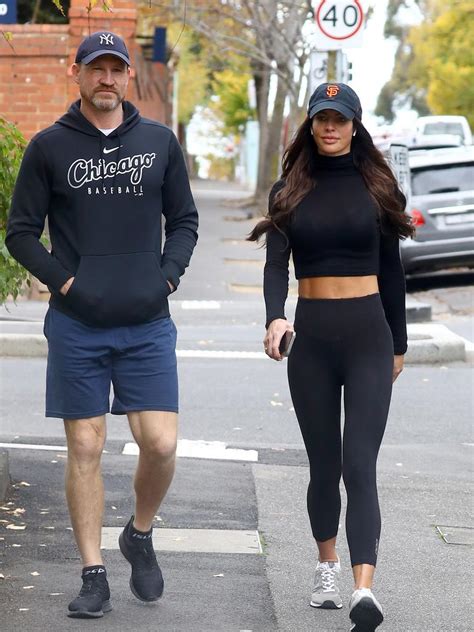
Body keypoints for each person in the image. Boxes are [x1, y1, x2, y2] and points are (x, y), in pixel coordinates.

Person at [6, 31, 198, 619]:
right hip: (77, 323)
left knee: (160, 443)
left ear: (129, 75)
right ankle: (93, 574)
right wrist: (66, 282)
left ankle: (138, 533)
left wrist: (166, 277)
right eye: (97, 68)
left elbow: (185, 220)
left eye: (117, 68)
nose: (107, 78)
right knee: (85, 445)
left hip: (146, 322)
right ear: (78, 73)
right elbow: (19, 232)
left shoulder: (160, 143)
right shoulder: (49, 147)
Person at [248, 83, 414, 632]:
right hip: (312, 339)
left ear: (355, 125)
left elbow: (392, 270)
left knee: (359, 463)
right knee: (323, 463)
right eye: (322, 118)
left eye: (340, 119)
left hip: (369, 335)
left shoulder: (378, 186)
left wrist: (399, 343)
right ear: (312, 124)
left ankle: (364, 590)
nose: (330, 127)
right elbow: (277, 264)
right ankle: (326, 568)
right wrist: (276, 316)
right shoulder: (290, 187)